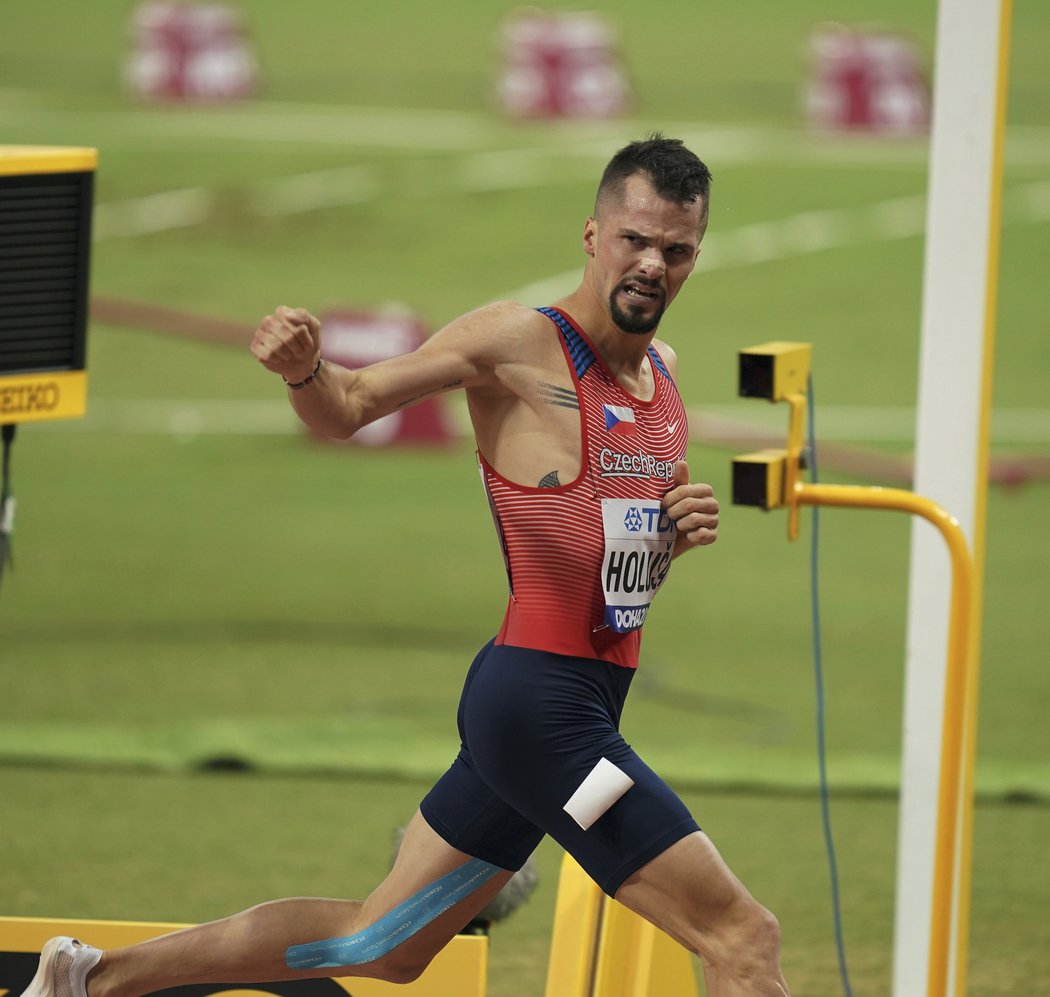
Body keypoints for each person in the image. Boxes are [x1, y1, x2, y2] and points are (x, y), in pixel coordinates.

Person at [22, 135, 789, 997]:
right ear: (592, 234)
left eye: (675, 249)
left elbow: (613, 568)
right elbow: (349, 406)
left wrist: (666, 534)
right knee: (740, 933)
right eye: (634, 240)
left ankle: (87, 980)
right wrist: (307, 369)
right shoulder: (521, 342)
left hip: (564, 701)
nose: (653, 263)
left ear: (695, 255)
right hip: (541, 707)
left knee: (382, 942)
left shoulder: (665, 381)